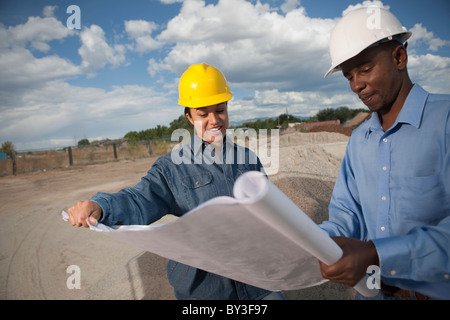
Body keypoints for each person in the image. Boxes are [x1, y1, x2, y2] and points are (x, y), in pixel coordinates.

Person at [66, 63, 285, 300]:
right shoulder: (172, 167)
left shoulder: (247, 159)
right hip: (208, 291)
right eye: (203, 113)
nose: (214, 120)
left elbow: (269, 209)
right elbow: (138, 199)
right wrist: (100, 206)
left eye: (220, 110)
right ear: (189, 116)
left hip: (258, 284)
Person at [318, 7, 450, 300]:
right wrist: (313, 240)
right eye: (349, 76)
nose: (356, 85)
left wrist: (377, 254)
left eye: (365, 69)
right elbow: (345, 215)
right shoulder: (359, 141)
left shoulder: (446, 122)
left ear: (399, 57)